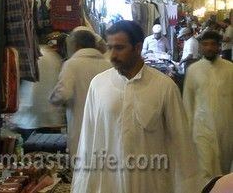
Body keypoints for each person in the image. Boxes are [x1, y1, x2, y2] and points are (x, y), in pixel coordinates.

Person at [72, 20, 199, 193]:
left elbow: (181, 143)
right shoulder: (98, 85)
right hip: (109, 182)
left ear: (138, 48)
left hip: (151, 183)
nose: (112, 55)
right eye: (110, 48)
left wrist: (187, 186)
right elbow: (88, 138)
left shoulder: (164, 86)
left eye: (119, 48)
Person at [49, 29, 111, 157]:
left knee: (82, 167)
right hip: (106, 128)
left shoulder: (71, 65)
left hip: (80, 126)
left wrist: (52, 100)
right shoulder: (108, 66)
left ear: (76, 45)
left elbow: (63, 93)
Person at [183, 30, 233, 184]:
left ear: (219, 46)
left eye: (213, 44)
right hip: (201, 128)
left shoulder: (230, 69)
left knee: (224, 169)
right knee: (205, 169)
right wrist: (187, 130)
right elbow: (187, 102)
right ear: (201, 47)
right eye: (205, 44)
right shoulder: (193, 70)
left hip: (226, 127)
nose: (209, 48)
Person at [10, 42, 66, 141]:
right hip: (50, 118)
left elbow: (29, 89)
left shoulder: (31, 56)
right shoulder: (55, 58)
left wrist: (19, 112)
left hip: (30, 119)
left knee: (29, 153)